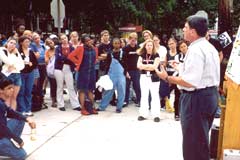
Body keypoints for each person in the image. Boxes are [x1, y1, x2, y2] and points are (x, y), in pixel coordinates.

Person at [155, 15, 220, 160]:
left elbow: (190, 82)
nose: (183, 30)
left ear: (193, 31)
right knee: (201, 141)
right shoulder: (209, 48)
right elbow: (203, 73)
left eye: (185, 28)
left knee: (193, 146)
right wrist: (180, 66)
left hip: (196, 99)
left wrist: (167, 77)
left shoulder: (195, 50)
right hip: (210, 96)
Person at [0, 73, 36, 160]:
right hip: (1, 133)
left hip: (2, 133)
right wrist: (17, 139)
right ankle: (5, 146)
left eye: (12, 87)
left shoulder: (2, 102)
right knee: (21, 155)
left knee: (20, 119)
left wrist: (27, 119)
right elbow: (1, 128)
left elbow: (10, 112)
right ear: (1, 90)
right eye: (9, 88)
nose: (12, 90)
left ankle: (8, 144)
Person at [68, 34, 98, 115]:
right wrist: (78, 63)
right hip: (83, 71)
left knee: (90, 90)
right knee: (82, 90)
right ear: (83, 42)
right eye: (87, 41)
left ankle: (92, 107)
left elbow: (95, 59)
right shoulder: (80, 48)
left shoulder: (95, 48)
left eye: (90, 40)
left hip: (91, 71)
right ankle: (83, 108)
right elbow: (70, 56)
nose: (89, 42)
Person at [98, 38, 126, 113]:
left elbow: (126, 64)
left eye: (118, 43)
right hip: (111, 74)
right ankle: (102, 107)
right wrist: (106, 75)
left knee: (122, 91)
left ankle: (119, 108)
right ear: (112, 44)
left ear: (120, 44)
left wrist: (126, 73)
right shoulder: (109, 53)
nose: (116, 45)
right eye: (115, 43)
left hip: (121, 75)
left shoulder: (123, 53)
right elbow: (107, 64)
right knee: (108, 91)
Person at [137, 39, 161, 122]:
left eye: (151, 45)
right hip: (144, 77)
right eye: (148, 45)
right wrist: (149, 66)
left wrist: (145, 66)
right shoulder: (142, 55)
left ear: (153, 46)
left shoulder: (156, 55)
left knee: (155, 95)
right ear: (145, 46)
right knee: (144, 95)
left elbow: (154, 67)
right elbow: (138, 65)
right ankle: (143, 114)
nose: (149, 46)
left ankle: (156, 115)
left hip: (154, 77)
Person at [0, 37, 24, 110]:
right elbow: (8, 62)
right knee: (7, 96)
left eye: (14, 44)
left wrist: (15, 67)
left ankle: (13, 115)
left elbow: (22, 65)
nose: (12, 45)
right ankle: (6, 115)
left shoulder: (16, 52)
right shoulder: (2, 50)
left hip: (17, 74)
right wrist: (14, 64)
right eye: (11, 43)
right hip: (7, 74)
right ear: (7, 43)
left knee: (14, 97)